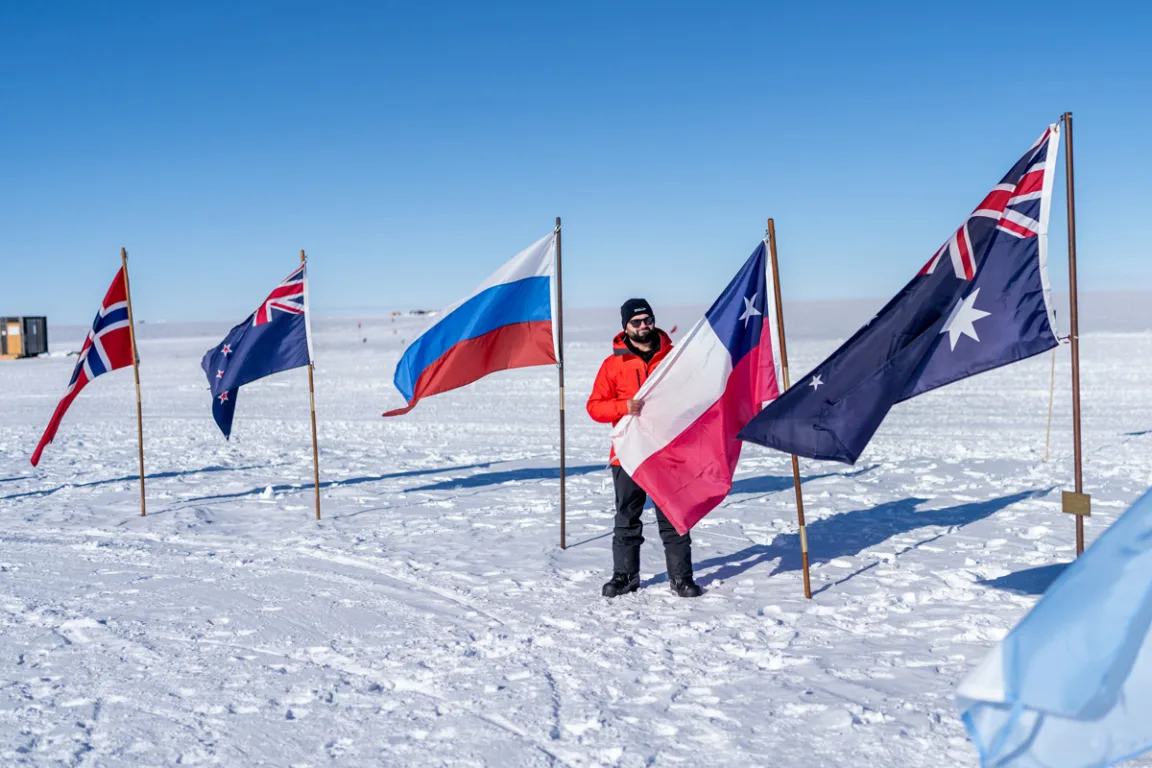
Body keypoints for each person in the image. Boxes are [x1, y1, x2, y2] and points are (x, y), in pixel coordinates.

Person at [586, 299, 702, 599]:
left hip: (667, 451)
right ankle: (625, 576)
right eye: (636, 322)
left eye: (647, 320)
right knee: (627, 516)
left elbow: (694, 395)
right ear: (625, 326)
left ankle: (681, 578)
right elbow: (595, 408)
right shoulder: (613, 364)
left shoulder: (673, 359)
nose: (643, 326)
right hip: (628, 453)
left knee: (673, 514)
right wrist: (622, 407)